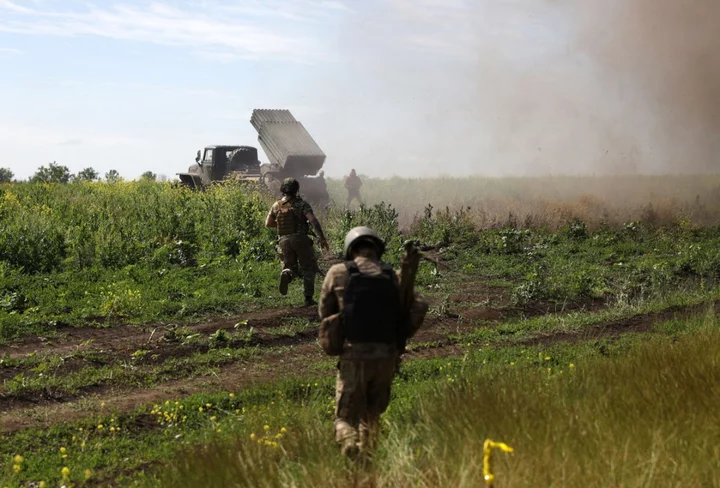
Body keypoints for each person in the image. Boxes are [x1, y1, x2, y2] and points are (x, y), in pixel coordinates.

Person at [319, 226, 429, 460]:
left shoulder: (338, 273)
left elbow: (324, 311)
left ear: (351, 249)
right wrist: (404, 332)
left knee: (345, 418)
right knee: (372, 415)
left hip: (354, 356)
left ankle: (350, 443)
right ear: (377, 250)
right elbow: (419, 304)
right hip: (386, 356)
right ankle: (367, 459)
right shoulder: (393, 276)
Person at [265, 177, 330, 307]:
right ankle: (308, 298)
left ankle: (286, 273)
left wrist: (282, 226)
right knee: (308, 267)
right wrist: (322, 238)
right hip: (300, 239)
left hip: (283, 240)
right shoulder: (302, 205)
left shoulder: (276, 205)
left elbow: (268, 223)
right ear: (296, 190)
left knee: (291, 267)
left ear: (283, 189)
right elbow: (313, 221)